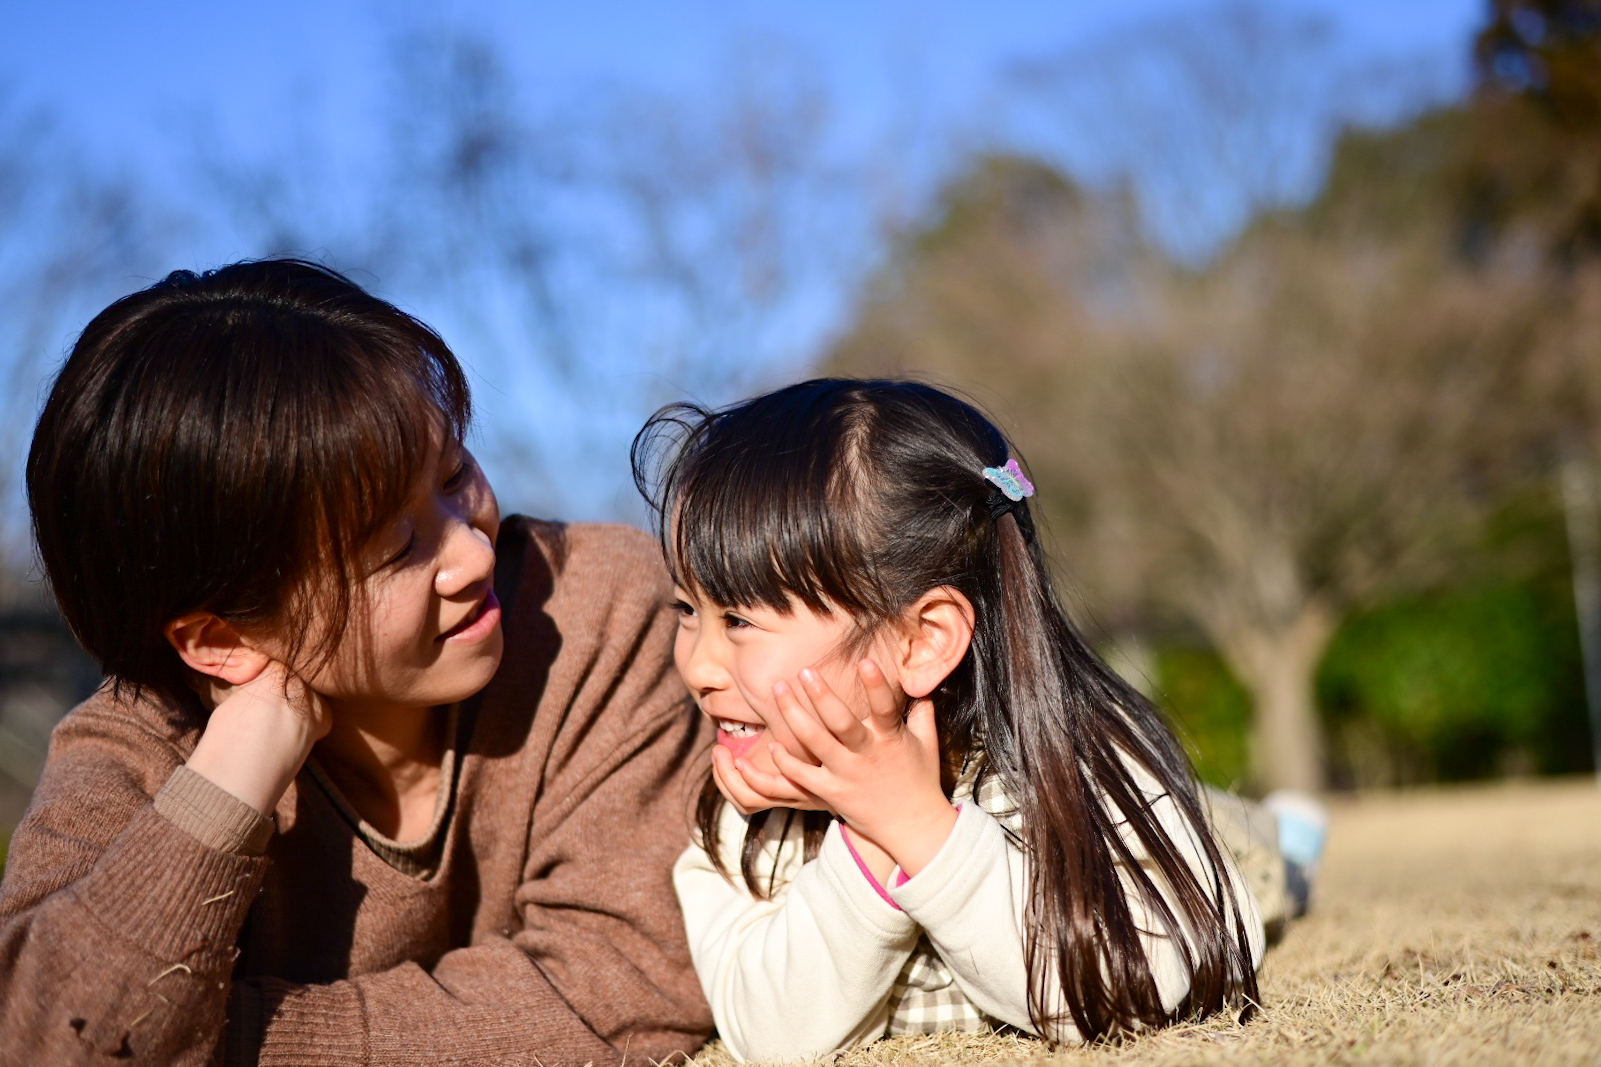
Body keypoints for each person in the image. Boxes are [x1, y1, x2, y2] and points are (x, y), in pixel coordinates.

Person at [4, 259, 713, 1065]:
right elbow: (51, 1039)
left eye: (454, 474)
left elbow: (629, 991)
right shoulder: (144, 746)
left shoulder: (592, 609)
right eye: (395, 549)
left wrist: (215, 1044)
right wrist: (224, 791)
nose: (472, 552)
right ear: (221, 639)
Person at [632, 378, 1297, 1064]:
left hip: (1225, 846)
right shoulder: (742, 828)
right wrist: (870, 833)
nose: (699, 664)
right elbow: (767, 1034)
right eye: (686, 609)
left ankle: (1288, 831)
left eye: (737, 619)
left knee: (1259, 844)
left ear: (921, 640)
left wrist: (922, 829)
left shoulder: (1078, 765)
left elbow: (1162, 982)